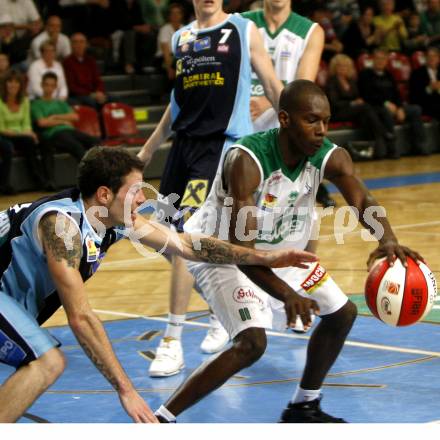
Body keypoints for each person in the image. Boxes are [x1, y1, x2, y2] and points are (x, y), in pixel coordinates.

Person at [152, 79, 423, 423]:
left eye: (325, 121)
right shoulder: (247, 161)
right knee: (252, 343)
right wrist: (288, 294)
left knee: (342, 314)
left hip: (283, 252)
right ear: (284, 119)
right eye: (312, 121)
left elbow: (361, 199)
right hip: (222, 254)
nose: (321, 130)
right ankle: (160, 420)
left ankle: (303, 405)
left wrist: (387, 240)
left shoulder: (328, 155)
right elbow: (244, 254)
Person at [0, 145, 317, 423]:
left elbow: (187, 245)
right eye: (135, 190)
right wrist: (127, 391)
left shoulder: (110, 219)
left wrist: (263, 258)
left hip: (10, 305)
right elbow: (80, 318)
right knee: (47, 361)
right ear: (104, 194)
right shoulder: (62, 228)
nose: (142, 199)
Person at [137, 0, 284, 377]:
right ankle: (222, 308)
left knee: (185, 240)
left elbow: (270, 83)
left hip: (220, 147)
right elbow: (177, 102)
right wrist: (148, 150)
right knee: (162, 240)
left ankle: (172, 342)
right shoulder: (182, 37)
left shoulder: (241, 30)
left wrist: (295, 123)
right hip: (183, 148)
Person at [358, 48, 429, 158]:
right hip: (377, 107)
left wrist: (400, 107)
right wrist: (385, 103)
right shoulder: (365, 74)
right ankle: (392, 149)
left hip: (394, 106)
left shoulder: (388, 75)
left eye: (383, 59)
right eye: (378, 59)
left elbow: (397, 94)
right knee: (386, 112)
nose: (380, 61)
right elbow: (367, 95)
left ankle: (419, 146)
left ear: (386, 61)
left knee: (415, 110)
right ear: (373, 60)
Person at [326, 53, 390, 159]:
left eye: (346, 66)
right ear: (335, 67)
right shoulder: (332, 82)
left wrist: (356, 102)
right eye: (340, 66)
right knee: (365, 109)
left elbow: (357, 96)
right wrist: (352, 103)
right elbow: (334, 103)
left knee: (366, 117)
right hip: (338, 112)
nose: (343, 69)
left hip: (354, 111)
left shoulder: (351, 81)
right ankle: (384, 132)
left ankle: (378, 151)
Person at [31, 72, 99, 171]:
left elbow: (75, 116)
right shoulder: (36, 104)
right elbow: (42, 123)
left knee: (95, 141)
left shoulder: (60, 103)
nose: (49, 88)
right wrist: (62, 121)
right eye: (47, 85)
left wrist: (55, 117)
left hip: (69, 130)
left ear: (55, 87)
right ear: (42, 85)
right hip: (54, 133)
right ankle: (91, 176)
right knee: (77, 147)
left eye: (52, 85)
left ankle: (101, 171)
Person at [0, 69, 47, 190]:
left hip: (19, 134)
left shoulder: (25, 101)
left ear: (20, 85)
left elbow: (26, 123)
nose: (13, 85)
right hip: (3, 134)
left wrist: (29, 132)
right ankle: (4, 185)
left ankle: (39, 180)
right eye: (10, 81)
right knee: (7, 147)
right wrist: (23, 133)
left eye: (16, 82)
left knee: (33, 142)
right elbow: (1, 128)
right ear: (5, 84)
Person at [63, 33, 109, 109]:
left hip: (94, 93)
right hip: (78, 95)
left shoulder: (91, 61)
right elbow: (72, 86)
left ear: (86, 44)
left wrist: (99, 92)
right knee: (91, 102)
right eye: (75, 42)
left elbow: (98, 80)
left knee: (113, 98)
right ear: (71, 45)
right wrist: (90, 94)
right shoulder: (67, 62)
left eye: (81, 42)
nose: (79, 45)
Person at [409, 46, 440, 119]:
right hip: (425, 104)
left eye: (434, 56)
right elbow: (414, 96)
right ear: (425, 58)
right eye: (429, 56)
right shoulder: (417, 73)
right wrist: (429, 88)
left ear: (439, 59)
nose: (432, 59)